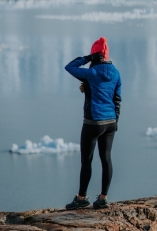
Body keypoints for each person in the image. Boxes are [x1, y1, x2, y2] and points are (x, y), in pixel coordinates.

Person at [64, 37, 121, 210]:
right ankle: (103, 198)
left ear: (95, 54)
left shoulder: (92, 73)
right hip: (110, 121)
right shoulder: (116, 73)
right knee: (106, 159)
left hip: (93, 122)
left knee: (86, 161)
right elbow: (117, 99)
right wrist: (115, 122)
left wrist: (87, 58)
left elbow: (70, 67)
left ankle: (81, 198)